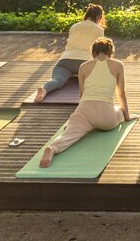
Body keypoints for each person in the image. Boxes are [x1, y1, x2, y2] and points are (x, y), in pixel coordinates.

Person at [40, 37, 133, 168]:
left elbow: (82, 95)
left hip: (84, 110)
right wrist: (127, 116)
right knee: (119, 110)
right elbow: (121, 93)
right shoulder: (117, 65)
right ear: (110, 52)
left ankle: (53, 148)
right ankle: (112, 117)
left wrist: (76, 119)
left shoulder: (83, 67)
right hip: (106, 117)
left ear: (93, 53)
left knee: (69, 135)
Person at [34, 4, 106, 103]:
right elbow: (99, 50)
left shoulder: (74, 26)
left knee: (57, 81)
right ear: (98, 17)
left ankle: (44, 89)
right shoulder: (99, 29)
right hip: (85, 62)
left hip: (65, 60)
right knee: (91, 82)